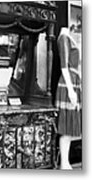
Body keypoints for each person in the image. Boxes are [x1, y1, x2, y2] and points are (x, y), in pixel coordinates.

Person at [56, 27, 82, 170]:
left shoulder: (66, 37)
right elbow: (64, 67)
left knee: (70, 126)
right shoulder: (64, 38)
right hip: (68, 83)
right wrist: (71, 90)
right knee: (66, 126)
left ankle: (65, 162)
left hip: (72, 82)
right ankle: (64, 163)